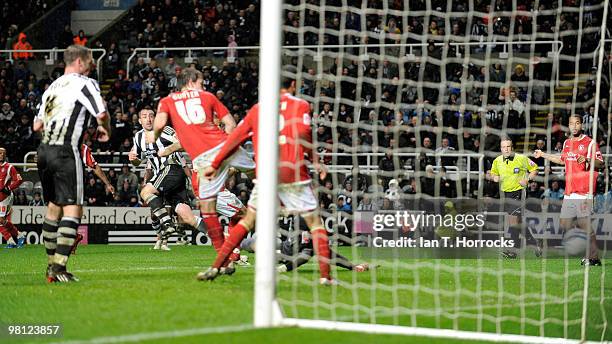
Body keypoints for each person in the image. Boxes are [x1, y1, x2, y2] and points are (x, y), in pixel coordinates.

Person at [199, 79, 334, 285]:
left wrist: (215, 163)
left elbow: (234, 138)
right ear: (293, 85)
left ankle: (217, 266)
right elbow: (304, 134)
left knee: (246, 222)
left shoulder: (257, 109)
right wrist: (316, 161)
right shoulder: (300, 105)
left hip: (267, 173)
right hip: (293, 173)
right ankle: (326, 278)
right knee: (315, 225)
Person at [149, 68, 254, 257]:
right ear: (191, 81)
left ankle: (229, 253)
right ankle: (238, 246)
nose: (203, 86)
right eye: (201, 82)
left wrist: (155, 137)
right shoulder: (208, 97)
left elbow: (159, 125)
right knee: (257, 178)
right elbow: (231, 124)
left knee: (210, 213)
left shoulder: (167, 101)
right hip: (225, 148)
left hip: (204, 161)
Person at [33, 45, 111, 283]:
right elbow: (101, 113)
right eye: (90, 60)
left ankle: (50, 267)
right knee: (73, 208)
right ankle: (59, 268)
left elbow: (37, 125)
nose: (93, 64)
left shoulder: (52, 87)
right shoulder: (85, 83)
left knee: (53, 208)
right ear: (79, 61)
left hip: (43, 151)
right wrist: (104, 129)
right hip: (65, 151)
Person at [129, 108, 205, 251]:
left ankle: (167, 224)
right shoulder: (138, 137)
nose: (149, 119)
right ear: (140, 121)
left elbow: (186, 142)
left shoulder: (166, 130)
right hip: (166, 177)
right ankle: (223, 238)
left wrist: (168, 150)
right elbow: (138, 161)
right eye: (145, 116)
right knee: (188, 217)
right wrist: (133, 159)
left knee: (145, 192)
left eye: (151, 116)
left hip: (172, 169)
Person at [534, 115, 604, 266]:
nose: (574, 126)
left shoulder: (590, 143)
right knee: (564, 224)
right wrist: (543, 154)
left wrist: (586, 160)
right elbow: (561, 160)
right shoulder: (566, 143)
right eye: (571, 123)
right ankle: (545, 244)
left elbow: (600, 164)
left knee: (585, 224)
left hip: (584, 192)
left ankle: (594, 258)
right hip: (569, 192)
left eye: (577, 123)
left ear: (581, 125)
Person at [490, 137, 541, 258]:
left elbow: (535, 169)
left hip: (518, 192)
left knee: (512, 222)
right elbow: (493, 172)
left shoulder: (521, 158)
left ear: (512, 147)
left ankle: (513, 251)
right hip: (506, 194)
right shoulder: (497, 160)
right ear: (501, 148)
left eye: (508, 146)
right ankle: (534, 242)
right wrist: (494, 177)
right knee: (517, 223)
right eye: (503, 147)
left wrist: (527, 179)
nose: (506, 149)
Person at [0, 147, 25, 248]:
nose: (0, 154)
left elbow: (19, 179)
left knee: (1, 220)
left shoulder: (9, 167)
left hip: (5, 197)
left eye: (2, 153)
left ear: (5, 155)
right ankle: (14, 239)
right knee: (2, 221)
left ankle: (16, 237)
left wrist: (9, 188)